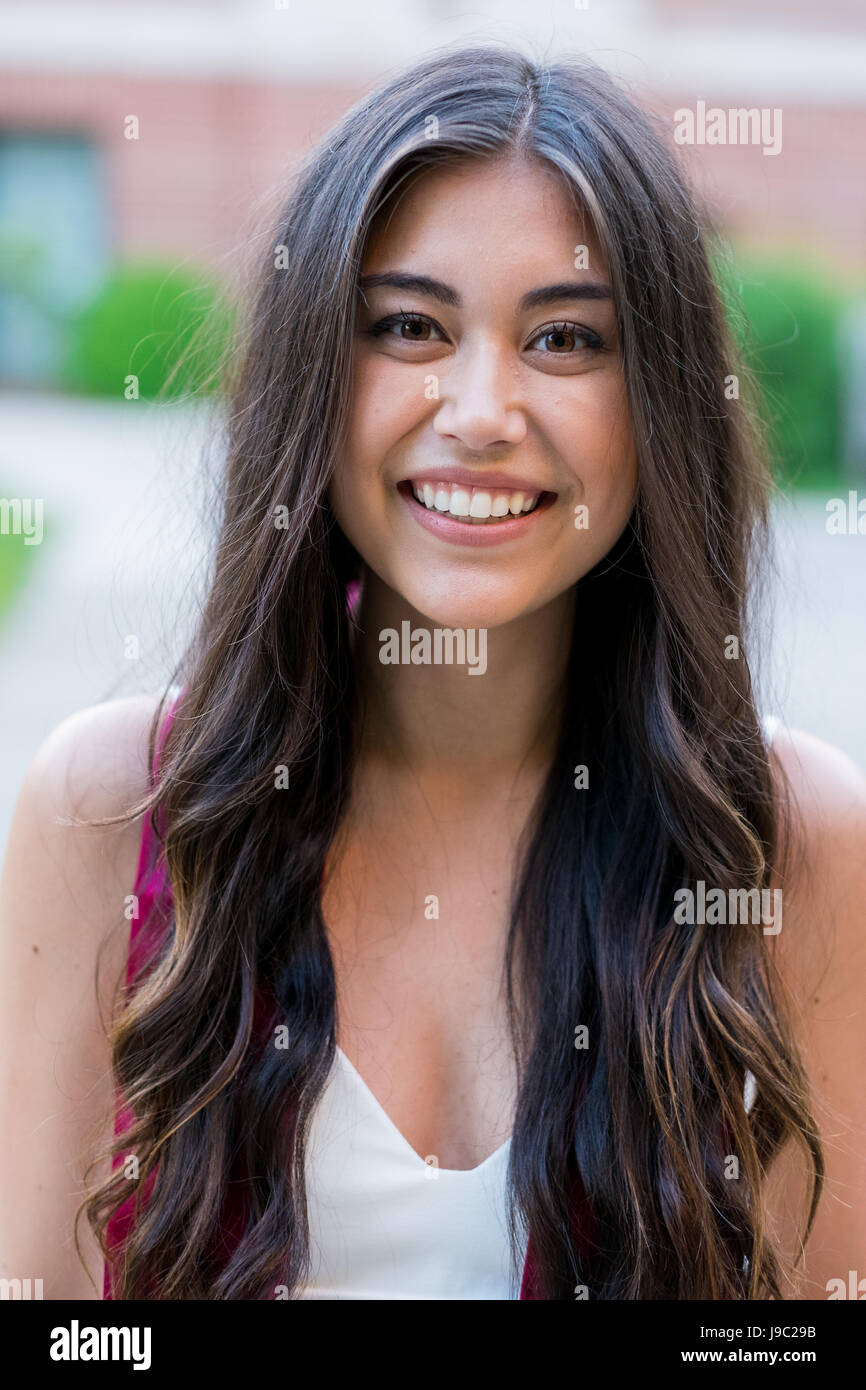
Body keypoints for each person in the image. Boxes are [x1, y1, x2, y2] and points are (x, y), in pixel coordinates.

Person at [1, 43, 864, 1301]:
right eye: (409, 325)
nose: (479, 408)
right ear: (316, 378)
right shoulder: (113, 808)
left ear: (658, 405)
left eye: (566, 339)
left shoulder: (786, 839)